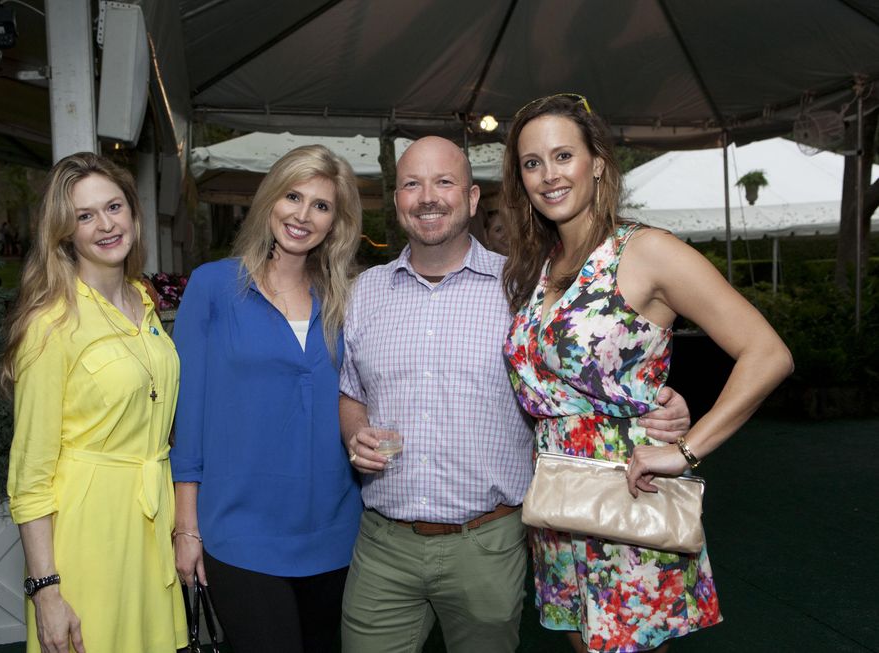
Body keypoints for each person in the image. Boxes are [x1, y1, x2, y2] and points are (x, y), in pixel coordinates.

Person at [338, 136, 692, 653]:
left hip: (488, 541)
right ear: (396, 201)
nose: (427, 196)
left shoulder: (527, 287)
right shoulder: (364, 291)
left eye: (444, 182)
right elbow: (351, 391)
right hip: (382, 544)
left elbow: (584, 368)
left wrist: (652, 401)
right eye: (412, 184)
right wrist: (355, 433)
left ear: (474, 198)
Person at [501, 94, 794, 653]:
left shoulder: (647, 251)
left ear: (598, 164)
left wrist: (687, 448)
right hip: (560, 501)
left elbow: (768, 353)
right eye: (531, 163)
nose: (548, 175)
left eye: (563, 155)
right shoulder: (540, 266)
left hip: (629, 492)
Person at [171, 144, 363, 653]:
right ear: (270, 200)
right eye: (292, 196)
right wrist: (186, 528)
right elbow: (186, 416)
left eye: (320, 205)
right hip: (240, 532)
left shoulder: (348, 300)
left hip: (337, 531)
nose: (302, 215)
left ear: (335, 222)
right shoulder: (214, 286)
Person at [2, 152, 186, 653]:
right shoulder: (50, 324)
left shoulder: (143, 302)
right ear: (65, 232)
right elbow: (30, 475)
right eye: (85, 216)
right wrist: (46, 591)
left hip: (149, 527)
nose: (105, 225)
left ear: (132, 212)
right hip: (88, 535)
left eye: (114, 207)